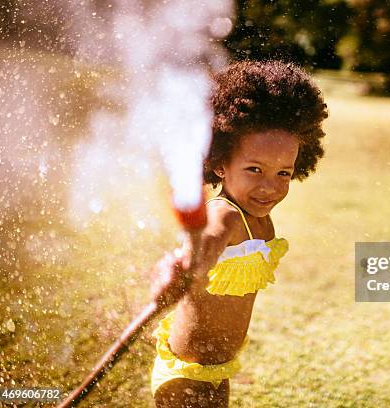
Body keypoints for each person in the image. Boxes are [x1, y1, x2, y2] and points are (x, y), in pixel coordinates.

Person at [149, 60, 328, 407]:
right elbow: (207, 244)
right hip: (188, 372)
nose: (269, 187)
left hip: (219, 367)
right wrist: (187, 265)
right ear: (220, 163)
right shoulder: (226, 215)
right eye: (254, 169)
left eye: (283, 173)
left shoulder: (258, 218)